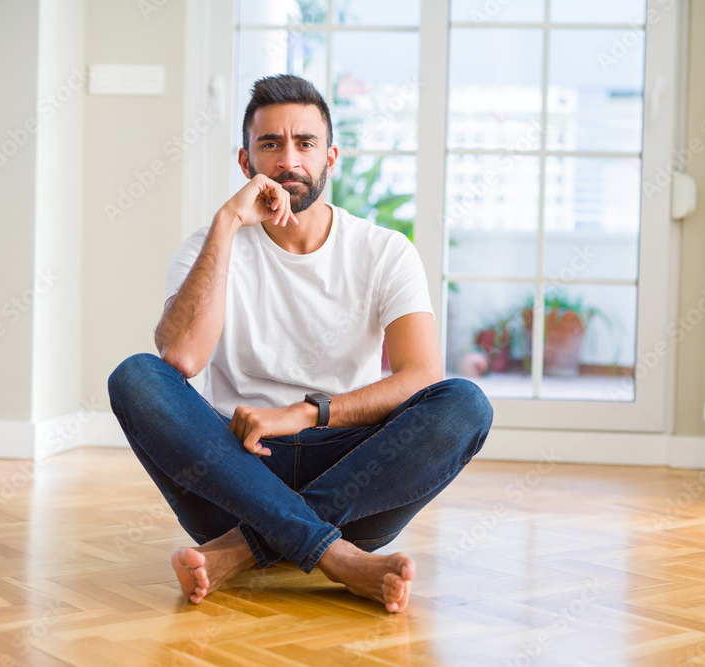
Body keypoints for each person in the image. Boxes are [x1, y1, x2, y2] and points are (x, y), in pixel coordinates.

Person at [107, 74, 493, 613]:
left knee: (464, 404)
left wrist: (304, 414)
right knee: (136, 377)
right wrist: (227, 221)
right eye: (270, 145)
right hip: (233, 473)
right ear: (245, 163)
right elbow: (181, 358)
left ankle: (241, 551)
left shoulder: (384, 251)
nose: (289, 161)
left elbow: (420, 376)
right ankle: (339, 559)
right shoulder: (209, 247)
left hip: (354, 476)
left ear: (330, 157)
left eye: (305, 143)